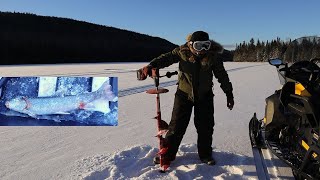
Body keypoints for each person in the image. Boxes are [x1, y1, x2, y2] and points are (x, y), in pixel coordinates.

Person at [138, 31, 234, 166]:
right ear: (190, 45)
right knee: (176, 126)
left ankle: (205, 155)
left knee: (205, 127)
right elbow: (166, 58)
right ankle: (168, 154)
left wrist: (229, 93)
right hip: (183, 95)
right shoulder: (182, 52)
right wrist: (151, 65)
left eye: (206, 45)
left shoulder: (213, 56)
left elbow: (222, 75)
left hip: (205, 96)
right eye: (198, 46)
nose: (202, 50)